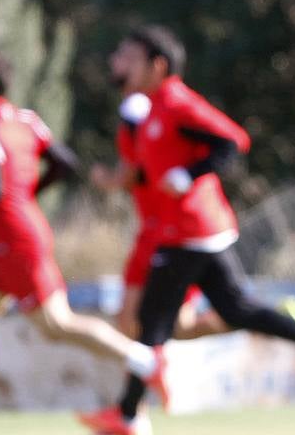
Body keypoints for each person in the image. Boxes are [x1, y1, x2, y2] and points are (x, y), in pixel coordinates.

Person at [81, 25, 295, 435]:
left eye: (134, 60)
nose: (126, 67)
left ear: (158, 66)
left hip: (189, 230)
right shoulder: (153, 106)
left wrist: (188, 174)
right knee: (234, 311)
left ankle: (128, 413)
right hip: (194, 232)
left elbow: (233, 141)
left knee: (152, 322)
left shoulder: (177, 102)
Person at [0, 51, 167, 435]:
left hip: (14, 241)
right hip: (8, 239)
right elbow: (64, 164)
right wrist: (29, 193)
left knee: (57, 326)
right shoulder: (27, 120)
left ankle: (145, 360)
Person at [89, 49, 228, 343]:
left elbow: (136, 172)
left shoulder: (138, 109)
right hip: (158, 227)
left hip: (162, 229)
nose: (113, 61)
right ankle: (263, 319)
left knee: (133, 320)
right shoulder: (139, 107)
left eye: (123, 57)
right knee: (174, 325)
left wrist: (107, 180)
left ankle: (262, 319)